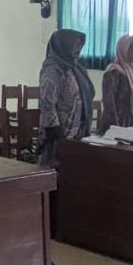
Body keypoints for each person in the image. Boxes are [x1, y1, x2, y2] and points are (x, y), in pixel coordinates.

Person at [38, 29, 94, 168]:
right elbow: (47, 103)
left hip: (78, 131)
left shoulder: (76, 68)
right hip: (59, 133)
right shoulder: (52, 69)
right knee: (58, 171)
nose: (78, 49)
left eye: (80, 45)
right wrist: (57, 134)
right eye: (75, 45)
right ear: (63, 45)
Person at [100, 35, 133, 132]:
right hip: (115, 125)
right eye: (132, 48)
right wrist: (117, 130)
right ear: (123, 50)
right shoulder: (113, 72)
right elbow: (109, 105)